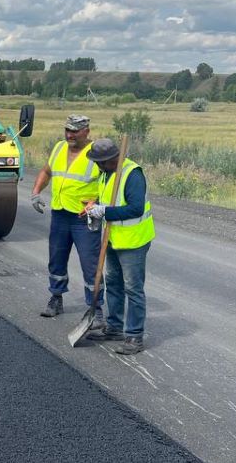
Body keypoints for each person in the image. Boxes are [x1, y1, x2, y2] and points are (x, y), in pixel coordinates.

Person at [83, 137, 155, 355]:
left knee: (133, 288)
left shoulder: (132, 174)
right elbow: (106, 198)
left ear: (110, 159)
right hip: (113, 238)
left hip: (134, 241)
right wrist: (94, 206)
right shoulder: (106, 174)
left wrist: (104, 211)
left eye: (100, 162)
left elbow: (135, 209)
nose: (97, 166)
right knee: (114, 284)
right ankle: (114, 327)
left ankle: (134, 336)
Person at [29, 115, 103, 319]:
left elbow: (110, 183)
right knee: (56, 259)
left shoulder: (96, 152)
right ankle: (56, 297)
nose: (70, 135)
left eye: (75, 131)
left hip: (84, 218)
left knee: (90, 264)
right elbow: (46, 171)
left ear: (86, 131)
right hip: (60, 214)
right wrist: (36, 191)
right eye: (67, 130)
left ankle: (96, 309)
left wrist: (96, 201)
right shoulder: (59, 147)